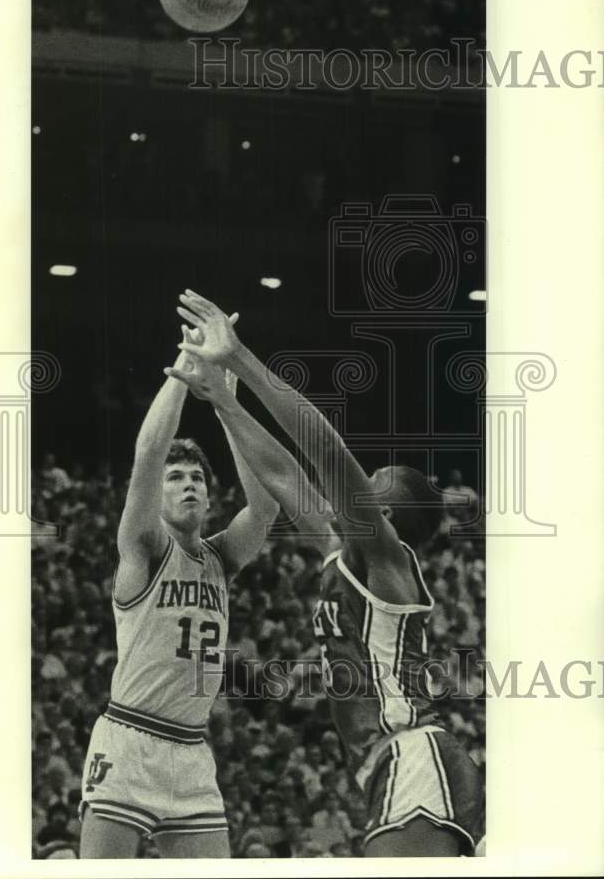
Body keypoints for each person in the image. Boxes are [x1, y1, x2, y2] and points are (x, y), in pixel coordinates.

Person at [170, 290, 485, 857]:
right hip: (387, 762)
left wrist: (240, 357)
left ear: (385, 514)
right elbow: (284, 476)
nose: (361, 482)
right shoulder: (345, 555)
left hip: (414, 754)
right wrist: (223, 401)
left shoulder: (387, 562)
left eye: (373, 483)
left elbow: (328, 453)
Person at [78, 329, 282, 859]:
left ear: (211, 499)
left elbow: (265, 508)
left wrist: (226, 404)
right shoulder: (143, 549)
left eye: (197, 477)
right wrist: (187, 362)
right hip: (130, 739)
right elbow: (147, 455)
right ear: (160, 494)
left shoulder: (221, 558)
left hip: (192, 750)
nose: (188, 483)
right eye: (177, 477)